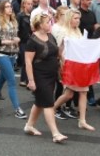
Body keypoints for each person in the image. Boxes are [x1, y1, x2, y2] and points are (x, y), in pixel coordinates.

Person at [23, 13, 68, 143]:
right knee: (48, 102)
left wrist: (63, 49)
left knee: (40, 102)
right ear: (40, 25)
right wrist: (31, 80)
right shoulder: (32, 41)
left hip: (51, 74)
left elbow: (57, 54)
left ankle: (29, 126)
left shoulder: (50, 36)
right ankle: (55, 134)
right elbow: (28, 62)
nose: (50, 24)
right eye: (48, 22)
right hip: (39, 76)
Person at [53, 8, 95, 131]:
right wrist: (63, 66)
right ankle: (53, 108)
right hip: (69, 66)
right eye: (75, 18)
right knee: (69, 94)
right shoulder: (63, 32)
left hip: (80, 65)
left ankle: (82, 120)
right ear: (69, 18)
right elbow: (59, 51)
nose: (78, 21)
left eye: (79, 18)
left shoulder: (78, 31)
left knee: (80, 92)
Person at [0, 0, 27, 119]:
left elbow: (14, 36)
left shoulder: (13, 21)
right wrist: (3, 41)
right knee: (12, 82)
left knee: (1, 80)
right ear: (2, 9)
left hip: (12, 54)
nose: (10, 9)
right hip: (1, 54)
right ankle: (17, 109)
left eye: (10, 7)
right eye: (7, 7)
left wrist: (16, 40)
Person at [17, 0, 33, 87]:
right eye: (28, 4)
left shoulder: (32, 15)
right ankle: (24, 79)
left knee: (29, 61)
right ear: (24, 4)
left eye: (31, 4)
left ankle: (27, 79)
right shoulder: (20, 16)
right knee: (25, 60)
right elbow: (17, 29)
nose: (30, 6)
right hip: (23, 40)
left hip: (30, 40)